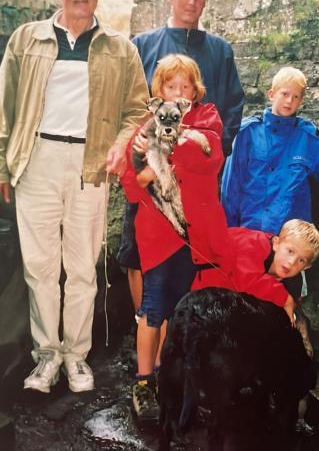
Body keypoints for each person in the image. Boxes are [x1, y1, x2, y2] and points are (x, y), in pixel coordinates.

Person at [0, 0, 149, 394]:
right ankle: (45, 357)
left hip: (89, 166)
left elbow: (138, 111)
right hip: (36, 160)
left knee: (80, 268)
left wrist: (120, 144)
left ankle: (76, 357)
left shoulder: (121, 49)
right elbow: (1, 109)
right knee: (39, 267)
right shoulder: (27, 39)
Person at [118, 0, 245, 310]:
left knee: (196, 252)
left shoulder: (220, 51)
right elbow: (126, 106)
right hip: (148, 174)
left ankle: (184, 336)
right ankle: (145, 335)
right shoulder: (142, 45)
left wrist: (211, 155)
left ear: (205, 1)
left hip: (198, 179)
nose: (192, 1)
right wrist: (135, 150)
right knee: (138, 253)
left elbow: (234, 107)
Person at [120, 54, 229, 419]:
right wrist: (146, 172)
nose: (179, 91)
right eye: (171, 86)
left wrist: (162, 154)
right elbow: (130, 181)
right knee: (153, 308)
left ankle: (174, 375)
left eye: (185, 86)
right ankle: (144, 381)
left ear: (194, 91)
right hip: (158, 234)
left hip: (197, 234)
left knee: (186, 309)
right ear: (160, 90)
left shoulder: (208, 118)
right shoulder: (146, 123)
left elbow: (210, 156)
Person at [222, 66, 319, 235]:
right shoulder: (248, 133)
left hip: (291, 234)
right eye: (285, 94)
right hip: (250, 227)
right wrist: (228, 230)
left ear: (301, 101)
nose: (289, 101)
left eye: (296, 97)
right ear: (272, 94)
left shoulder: (306, 137)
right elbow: (231, 184)